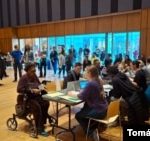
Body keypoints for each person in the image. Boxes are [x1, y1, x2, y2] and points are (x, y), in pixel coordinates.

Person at [69, 65, 108, 141]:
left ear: (89, 73)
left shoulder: (91, 84)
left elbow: (81, 97)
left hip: (98, 110)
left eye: (86, 71)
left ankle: (91, 132)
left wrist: (72, 94)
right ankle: (93, 127)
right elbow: (88, 93)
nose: (84, 73)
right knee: (84, 109)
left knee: (78, 115)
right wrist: (83, 92)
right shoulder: (98, 80)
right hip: (103, 108)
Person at [17, 63, 50, 136]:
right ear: (27, 70)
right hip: (26, 98)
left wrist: (42, 87)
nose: (34, 72)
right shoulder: (24, 78)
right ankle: (39, 128)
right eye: (32, 71)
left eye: (34, 70)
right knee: (37, 107)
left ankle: (42, 123)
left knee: (46, 103)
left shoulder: (34, 76)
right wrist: (32, 90)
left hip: (35, 96)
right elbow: (19, 89)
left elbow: (39, 85)